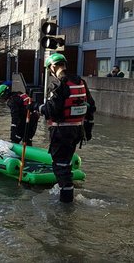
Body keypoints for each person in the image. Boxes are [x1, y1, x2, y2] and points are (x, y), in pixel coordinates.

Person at [36, 53, 96, 203]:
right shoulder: (80, 82)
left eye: (50, 69)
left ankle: (66, 205)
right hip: (77, 132)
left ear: (53, 66)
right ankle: (67, 194)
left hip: (61, 132)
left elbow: (52, 111)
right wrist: (88, 131)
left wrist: (38, 107)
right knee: (66, 164)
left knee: (60, 167)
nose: (50, 72)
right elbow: (91, 107)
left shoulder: (58, 85)